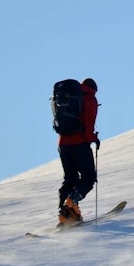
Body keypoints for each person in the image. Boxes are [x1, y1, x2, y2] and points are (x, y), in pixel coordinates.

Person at [57, 78, 100, 226]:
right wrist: (94, 138)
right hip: (79, 144)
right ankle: (72, 201)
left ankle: (65, 215)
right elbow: (88, 129)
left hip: (63, 144)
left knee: (70, 178)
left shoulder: (66, 96)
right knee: (88, 177)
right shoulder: (89, 99)